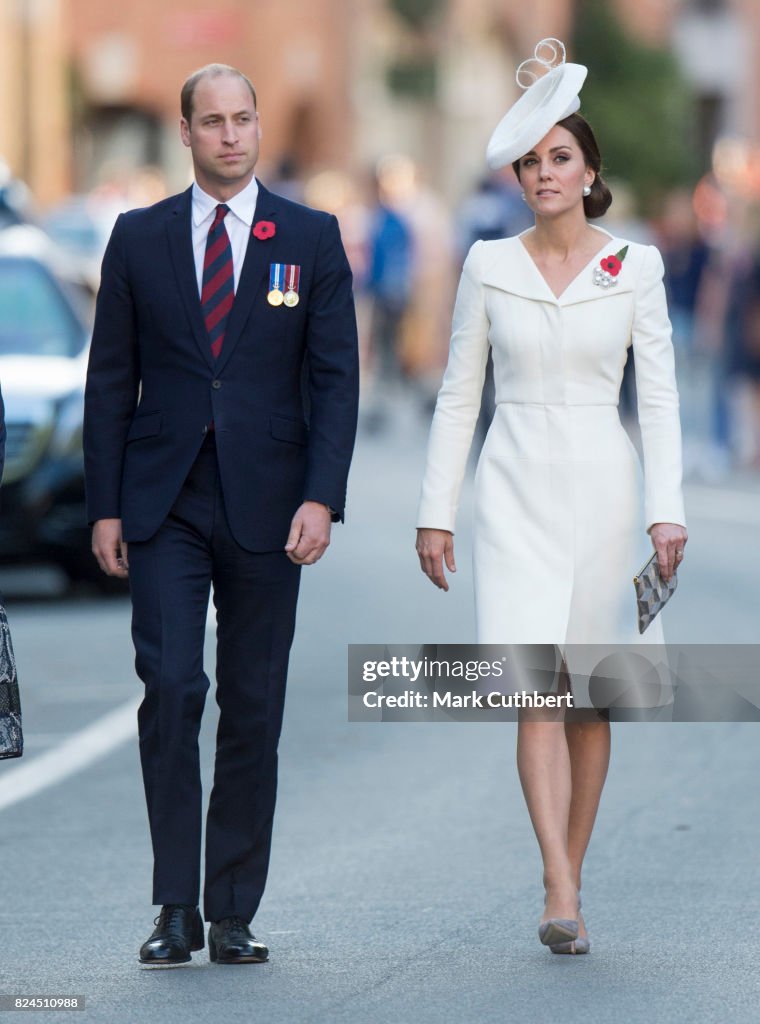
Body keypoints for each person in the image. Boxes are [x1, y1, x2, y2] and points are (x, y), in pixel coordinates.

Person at [415, 39, 687, 955]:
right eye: (530, 161)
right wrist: (435, 510)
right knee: (536, 688)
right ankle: (558, 885)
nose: (544, 173)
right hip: (515, 486)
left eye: (559, 157)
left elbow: (658, 398)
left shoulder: (636, 267)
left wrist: (668, 509)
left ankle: (570, 868)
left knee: (591, 697)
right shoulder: (489, 264)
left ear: (589, 170)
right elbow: (460, 393)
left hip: (608, 491)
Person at [83, 63, 359, 967]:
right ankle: (174, 906)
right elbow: (110, 380)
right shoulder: (138, 237)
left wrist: (322, 496)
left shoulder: (310, 239)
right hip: (163, 501)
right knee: (170, 690)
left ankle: (232, 906)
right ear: (186, 132)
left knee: (253, 704)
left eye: (244, 119)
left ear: (258, 127)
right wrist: (105, 505)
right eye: (214, 122)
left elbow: (334, 379)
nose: (231, 135)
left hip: (271, 505)